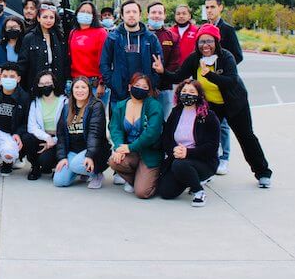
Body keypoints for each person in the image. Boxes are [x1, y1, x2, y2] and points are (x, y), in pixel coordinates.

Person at [152, 24, 273, 187]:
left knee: (246, 137)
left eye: (209, 41)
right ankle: (207, 170)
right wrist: (162, 72)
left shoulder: (226, 57)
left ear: (216, 42)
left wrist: (208, 74)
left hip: (235, 104)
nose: (205, 45)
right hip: (212, 106)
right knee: (207, 139)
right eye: (201, 42)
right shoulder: (195, 58)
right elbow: (178, 76)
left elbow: (231, 81)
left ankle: (263, 172)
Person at [158, 79, 220, 207]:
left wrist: (188, 152)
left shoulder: (208, 116)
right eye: (184, 91)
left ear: (199, 95)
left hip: (203, 161)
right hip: (177, 158)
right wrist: (174, 150)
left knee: (179, 165)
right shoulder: (176, 112)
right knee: (166, 192)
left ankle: (198, 191)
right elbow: (167, 137)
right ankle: (189, 179)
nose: (187, 94)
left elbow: (212, 146)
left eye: (192, 92)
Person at [204, 0, 244, 175]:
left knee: (223, 124)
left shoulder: (227, 29)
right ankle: (212, 155)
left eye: (212, 7)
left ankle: (224, 158)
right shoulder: (205, 28)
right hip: (207, 83)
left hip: (224, 84)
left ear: (220, 7)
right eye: (207, 7)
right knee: (210, 122)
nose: (209, 10)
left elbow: (237, 55)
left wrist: (221, 67)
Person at [108, 73, 164, 198]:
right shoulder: (121, 105)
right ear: (129, 87)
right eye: (137, 85)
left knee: (142, 192)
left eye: (145, 87)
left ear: (149, 90)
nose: (140, 89)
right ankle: (136, 179)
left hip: (149, 151)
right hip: (130, 152)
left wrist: (130, 148)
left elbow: (152, 133)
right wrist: (119, 147)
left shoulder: (154, 106)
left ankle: (153, 177)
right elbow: (115, 128)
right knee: (114, 161)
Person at [100, 0, 163, 106]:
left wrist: (152, 83)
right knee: (117, 123)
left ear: (140, 15)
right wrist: (113, 83)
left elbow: (159, 65)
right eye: (128, 12)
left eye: (134, 12)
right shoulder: (113, 37)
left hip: (144, 94)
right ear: (122, 16)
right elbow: (104, 63)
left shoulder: (151, 38)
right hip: (119, 95)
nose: (131, 15)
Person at [53, 76, 111, 188]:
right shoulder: (66, 108)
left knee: (76, 164)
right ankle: (79, 170)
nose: (80, 90)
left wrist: (89, 155)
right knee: (59, 181)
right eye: (77, 87)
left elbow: (95, 134)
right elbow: (61, 135)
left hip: (94, 152)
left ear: (89, 89)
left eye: (83, 87)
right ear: (72, 90)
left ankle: (96, 174)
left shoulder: (96, 106)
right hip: (73, 151)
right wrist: (62, 157)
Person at [21, 70, 66, 180]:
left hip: (58, 139)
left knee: (45, 161)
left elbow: (66, 128)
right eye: (42, 84)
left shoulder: (64, 101)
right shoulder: (35, 102)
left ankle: (53, 166)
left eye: (48, 83)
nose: (45, 86)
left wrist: (53, 140)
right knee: (27, 138)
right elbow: (32, 127)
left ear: (54, 83)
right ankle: (35, 167)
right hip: (42, 136)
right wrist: (46, 138)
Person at [18, 1, 68, 91]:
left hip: (56, 84)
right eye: (45, 17)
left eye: (51, 17)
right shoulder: (29, 37)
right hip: (36, 85)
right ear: (38, 18)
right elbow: (23, 63)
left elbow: (64, 62)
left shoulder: (59, 37)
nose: (48, 20)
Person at [68, 1, 108, 105]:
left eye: (88, 12)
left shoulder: (101, 32)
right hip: (76, 83)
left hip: (94, 84)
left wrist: (102, 83)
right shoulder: (73, 32)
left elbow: (105, 59)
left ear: (93, 16)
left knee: (95, 118)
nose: (85, 14)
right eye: (82, 11)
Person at [146, 1, 181, 120]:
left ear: (164, 16)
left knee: (162, 122)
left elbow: (174, 63)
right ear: (147, 15)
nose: (156, 15)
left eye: (160, 13)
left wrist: (160, 80)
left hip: (164, 89)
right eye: (153, 12)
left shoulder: (172, 37)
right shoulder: (139, 35)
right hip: (143, 87)